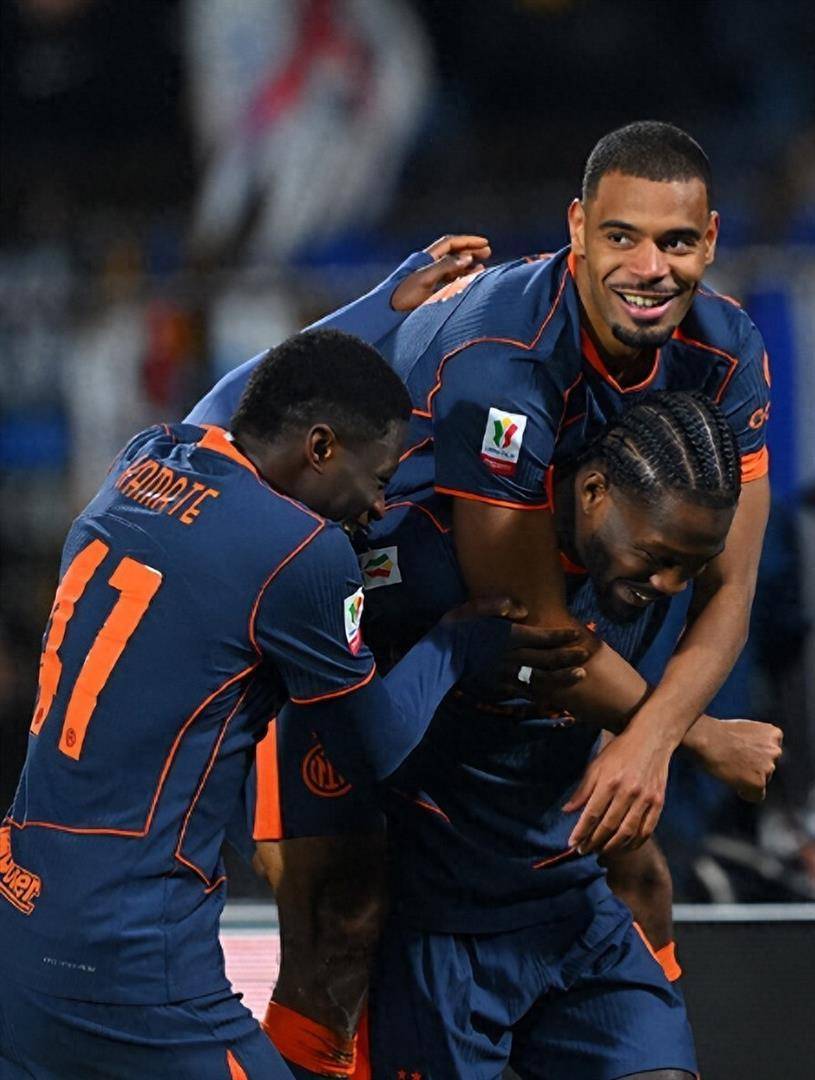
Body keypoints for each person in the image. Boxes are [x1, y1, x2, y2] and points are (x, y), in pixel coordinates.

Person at [195, 122, 778, 1075]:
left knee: (631, 862)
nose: (649, 268)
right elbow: (526, 618)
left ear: (710, 240)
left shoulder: (726, 349)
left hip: (520, 622)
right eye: (622, 236)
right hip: (367, 619)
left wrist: (649, 739)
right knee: (343, 920)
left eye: (675, 242)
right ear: (576, 228)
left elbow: (731, 584)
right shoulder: (505, 356)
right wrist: (692, 735)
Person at [0, 328, 575, 1079]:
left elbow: (239, 390)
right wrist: (458, 643)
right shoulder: (300, 550)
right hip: (133, 953)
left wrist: (390, 295)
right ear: (320, 447)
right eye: (378, 478)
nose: (380, 505)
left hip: (17, 912)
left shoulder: (146, 456)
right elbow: (374, 750)